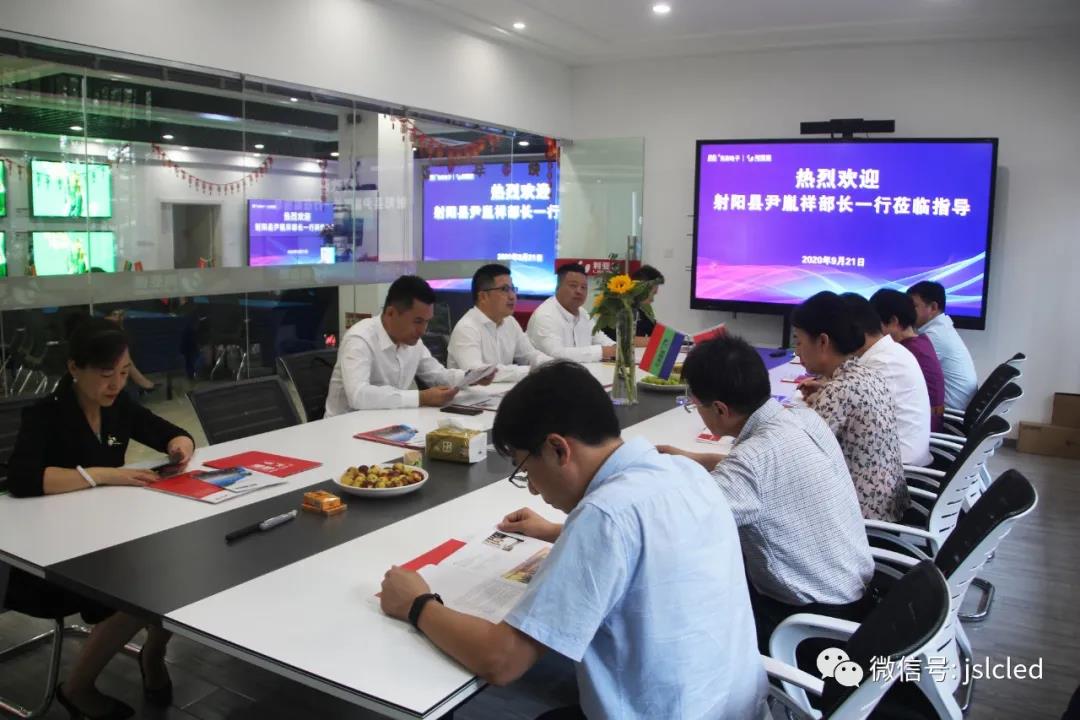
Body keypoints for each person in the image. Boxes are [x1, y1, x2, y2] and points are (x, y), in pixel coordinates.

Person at [379, 361, 766, 719]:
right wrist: (556, 532)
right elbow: (649, 544)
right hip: (736, 707)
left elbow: (501, 661)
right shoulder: (684, 471)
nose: (532, 488)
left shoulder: (605, 515)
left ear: (557, 448)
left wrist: (417, 604)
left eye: (524, 468)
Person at [6, 316, 195, 719]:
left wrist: (180, 446)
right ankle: (77, 689)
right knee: (143, 590)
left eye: (124, 373)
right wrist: (102, 475)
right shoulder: (45, 414)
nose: (116, 384)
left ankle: (153, 653)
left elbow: (172, 433)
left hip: (107, 536)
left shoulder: (118, 407)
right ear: (75, 368)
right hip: (48, 556)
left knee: (176, 568)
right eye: (106, 375)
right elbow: (22, 479)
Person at [658, 335, 874, 650]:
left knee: (684, 593)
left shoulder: (750, 463)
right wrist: (692, 458)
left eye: (696, 405)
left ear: (720, 409)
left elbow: (677, 526)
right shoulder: (801, 417)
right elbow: (765, 474)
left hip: (807, 623)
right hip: (854, 592)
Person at [791, 291, 910, 522]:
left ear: (823, 342)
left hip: (860, 516)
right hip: (885, 505)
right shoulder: (867, 374)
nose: (797, 351)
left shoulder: (839, 390)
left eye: (799, 341)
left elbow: (797, 457)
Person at [324, 275, 490, 416]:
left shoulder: (412, 341)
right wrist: (421, 398)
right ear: (390, 313)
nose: (422, 330)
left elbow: (437, 375)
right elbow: (358, 395)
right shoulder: (360, 339)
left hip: (388, 422)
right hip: (344, 428)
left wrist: (470, 377)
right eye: (417, 321)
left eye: (427, 322)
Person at [841, 293, 932, 467]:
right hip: (900, 453)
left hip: (899, 467)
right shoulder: (891, 351)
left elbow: (841, 417)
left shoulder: (882, 363)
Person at [448, 264, 551, 383]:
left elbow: (530, 355)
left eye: (513, 289)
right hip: (470, 394)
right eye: (504, 289)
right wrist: (531, 371)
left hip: (502, 392)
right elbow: (478, 373)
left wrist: (554, 366)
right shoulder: (466, 328)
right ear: (483, 296)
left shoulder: (510, 322)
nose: (512, 296)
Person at [870, 289, 946, 432]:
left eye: (876, 326)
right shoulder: (921, 341)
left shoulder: (904, 352)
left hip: (923, 429)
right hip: (927, 422)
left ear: (893, 321)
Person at [907, 281, 978, 411]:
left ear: (933, 307)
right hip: (957, 408)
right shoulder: (942, 329)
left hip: (949, 414)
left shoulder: (934, 336)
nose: (907, 312)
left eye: (913, 306)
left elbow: (905, 370)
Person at [525, 263, 616, 363]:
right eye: (573, 285)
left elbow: (600, 339)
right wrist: (602, 352)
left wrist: (615, 347)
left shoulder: (583, 313)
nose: (579, 291)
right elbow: (556, 355)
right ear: (557, 288)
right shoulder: (545, 315)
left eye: (583, 287)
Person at [630, 264, 664, 342]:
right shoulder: (620, 308)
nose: (652, 300)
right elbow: (625, 339)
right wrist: (660, 341)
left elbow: (656, 333)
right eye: (653, 293)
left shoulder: (644, 308)